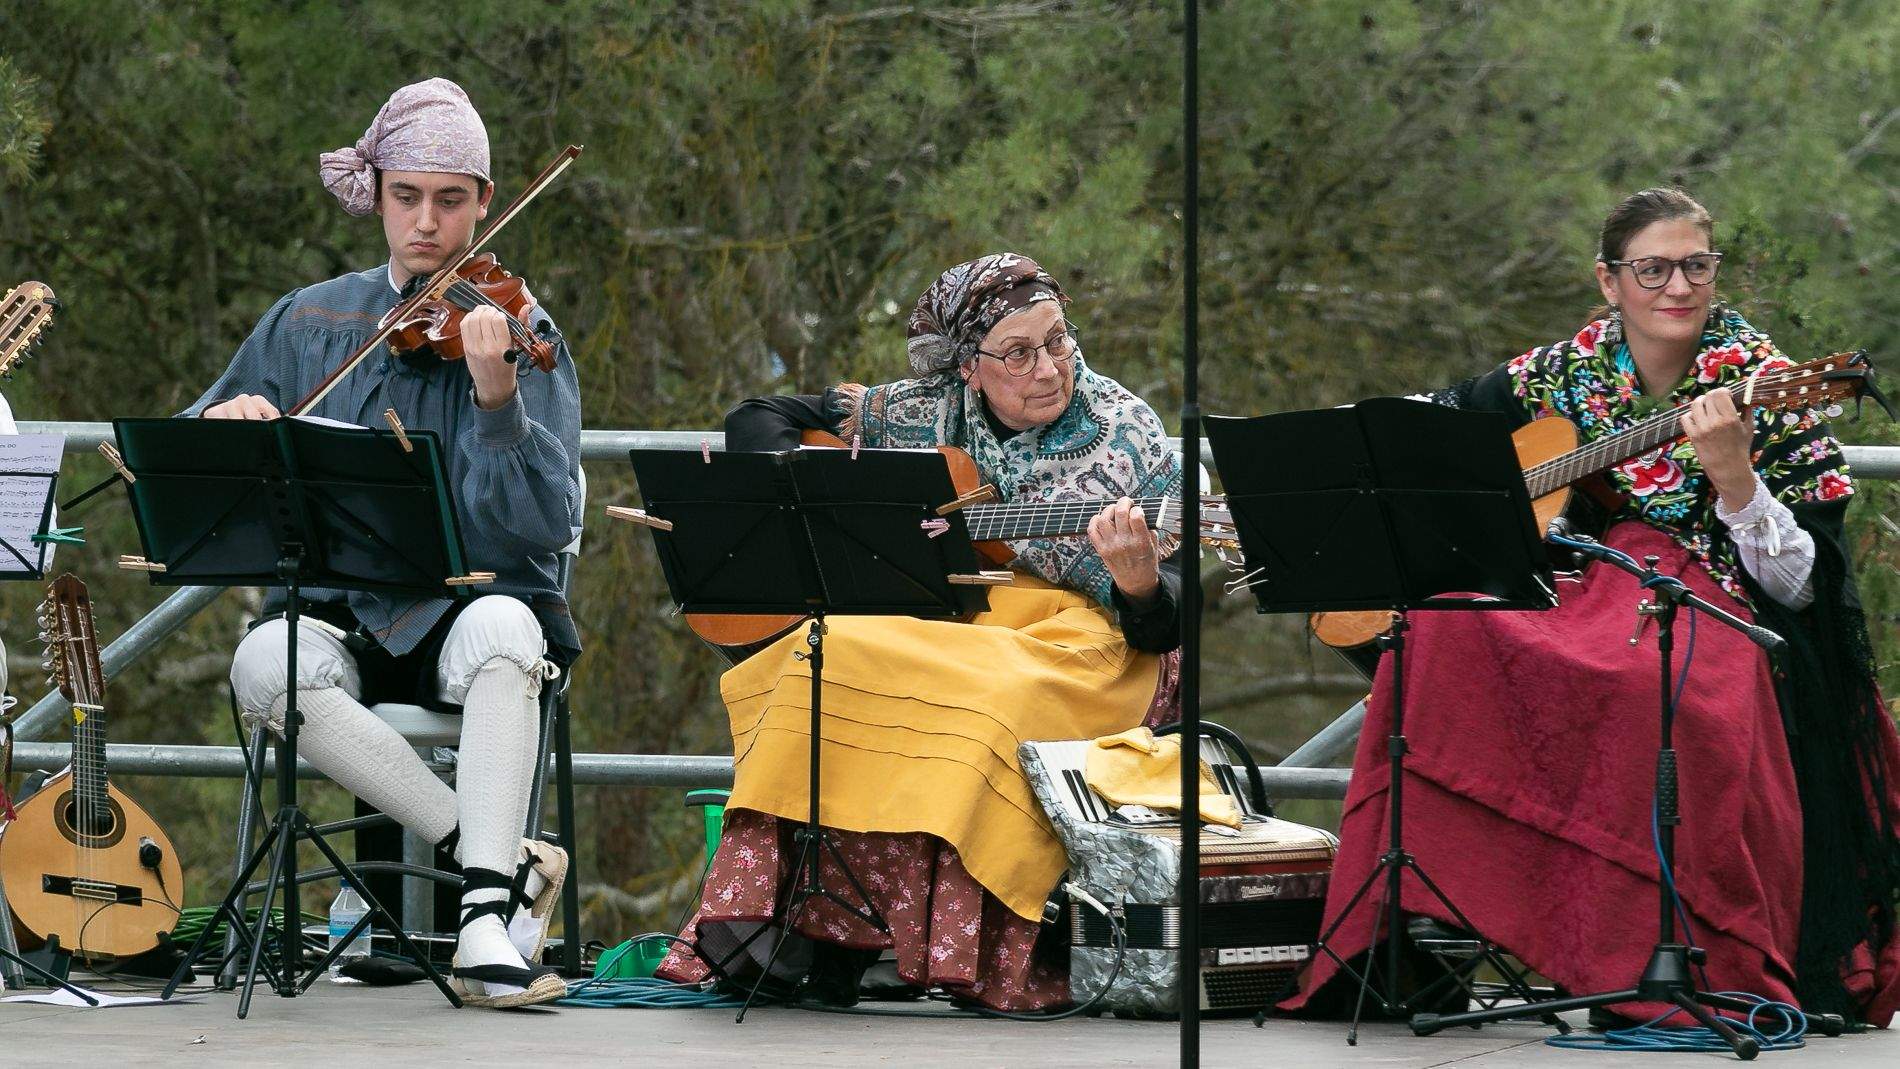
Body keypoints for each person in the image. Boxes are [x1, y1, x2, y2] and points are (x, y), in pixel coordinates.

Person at [1286, 188, 1900, 1026]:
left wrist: (1735, 478)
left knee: (1659, 693)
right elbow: (1441, 422)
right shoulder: (1562, 371)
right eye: (1652, 268)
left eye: (1696, 265)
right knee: (1435, 630)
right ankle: (1430, 922)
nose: (1677, 286)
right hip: (1581, 592)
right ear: (1610, 281)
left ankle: (1659, 947)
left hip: (1712, 606)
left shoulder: (1767, 383)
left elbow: (1804, 586)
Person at [656, 253, 1186, 1010]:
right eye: (1018, 353)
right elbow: (757, 418)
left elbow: (1164, 623)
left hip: (1090, 641)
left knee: (987, 697)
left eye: (1059, 340)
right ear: (968, 368)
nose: (1049, 368)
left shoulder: (1127, 430)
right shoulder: (917, 409)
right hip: (956, 619)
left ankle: (935, 946)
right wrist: (815, 498)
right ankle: (811, 931)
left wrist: (1136, 580)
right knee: (827, 657)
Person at [187, 78, 582, 1009]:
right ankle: (497, 868)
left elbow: (543, 526)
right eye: (408, 198)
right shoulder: (310, 318)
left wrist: (498, 405)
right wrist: (229, 417)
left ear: (486, 203)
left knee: (507, 631)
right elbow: (193, 442)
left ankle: (480, 924)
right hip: (344, 610)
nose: (428, 225)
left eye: (451, 200)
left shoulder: (522, 330)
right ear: (379, 197)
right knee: (260, 663)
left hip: (465, 616)